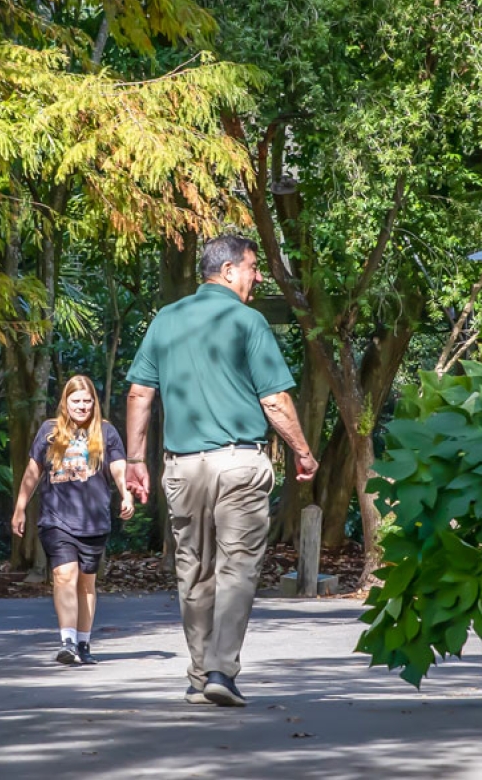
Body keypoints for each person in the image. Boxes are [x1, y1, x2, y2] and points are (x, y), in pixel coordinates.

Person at [125, 234, 319, 708]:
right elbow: (274, 399)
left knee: (193, 570)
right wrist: (303, 452)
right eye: (253, 267)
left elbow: (138, 394)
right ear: (229, 270)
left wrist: (134, 462)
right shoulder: (246, 320)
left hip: (183, 466)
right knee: (237, 569)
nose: (256, 277)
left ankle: (197, 675)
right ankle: (220, 671)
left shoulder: (165, 320)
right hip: (239, 464)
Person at [12, 375, 133, 666]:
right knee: (64, 575)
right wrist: (19, 507)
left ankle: (83, 641)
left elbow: (118, 468)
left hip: (93, 519)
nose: (82, 406)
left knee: (87, 585)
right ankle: (67, 642)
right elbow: (32, 472)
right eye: (76, 400)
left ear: (94, 403)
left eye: (87, 401)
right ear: (65, 402)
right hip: (56, 519)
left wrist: (125, 494)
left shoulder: (106, 432)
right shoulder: (49, 431)